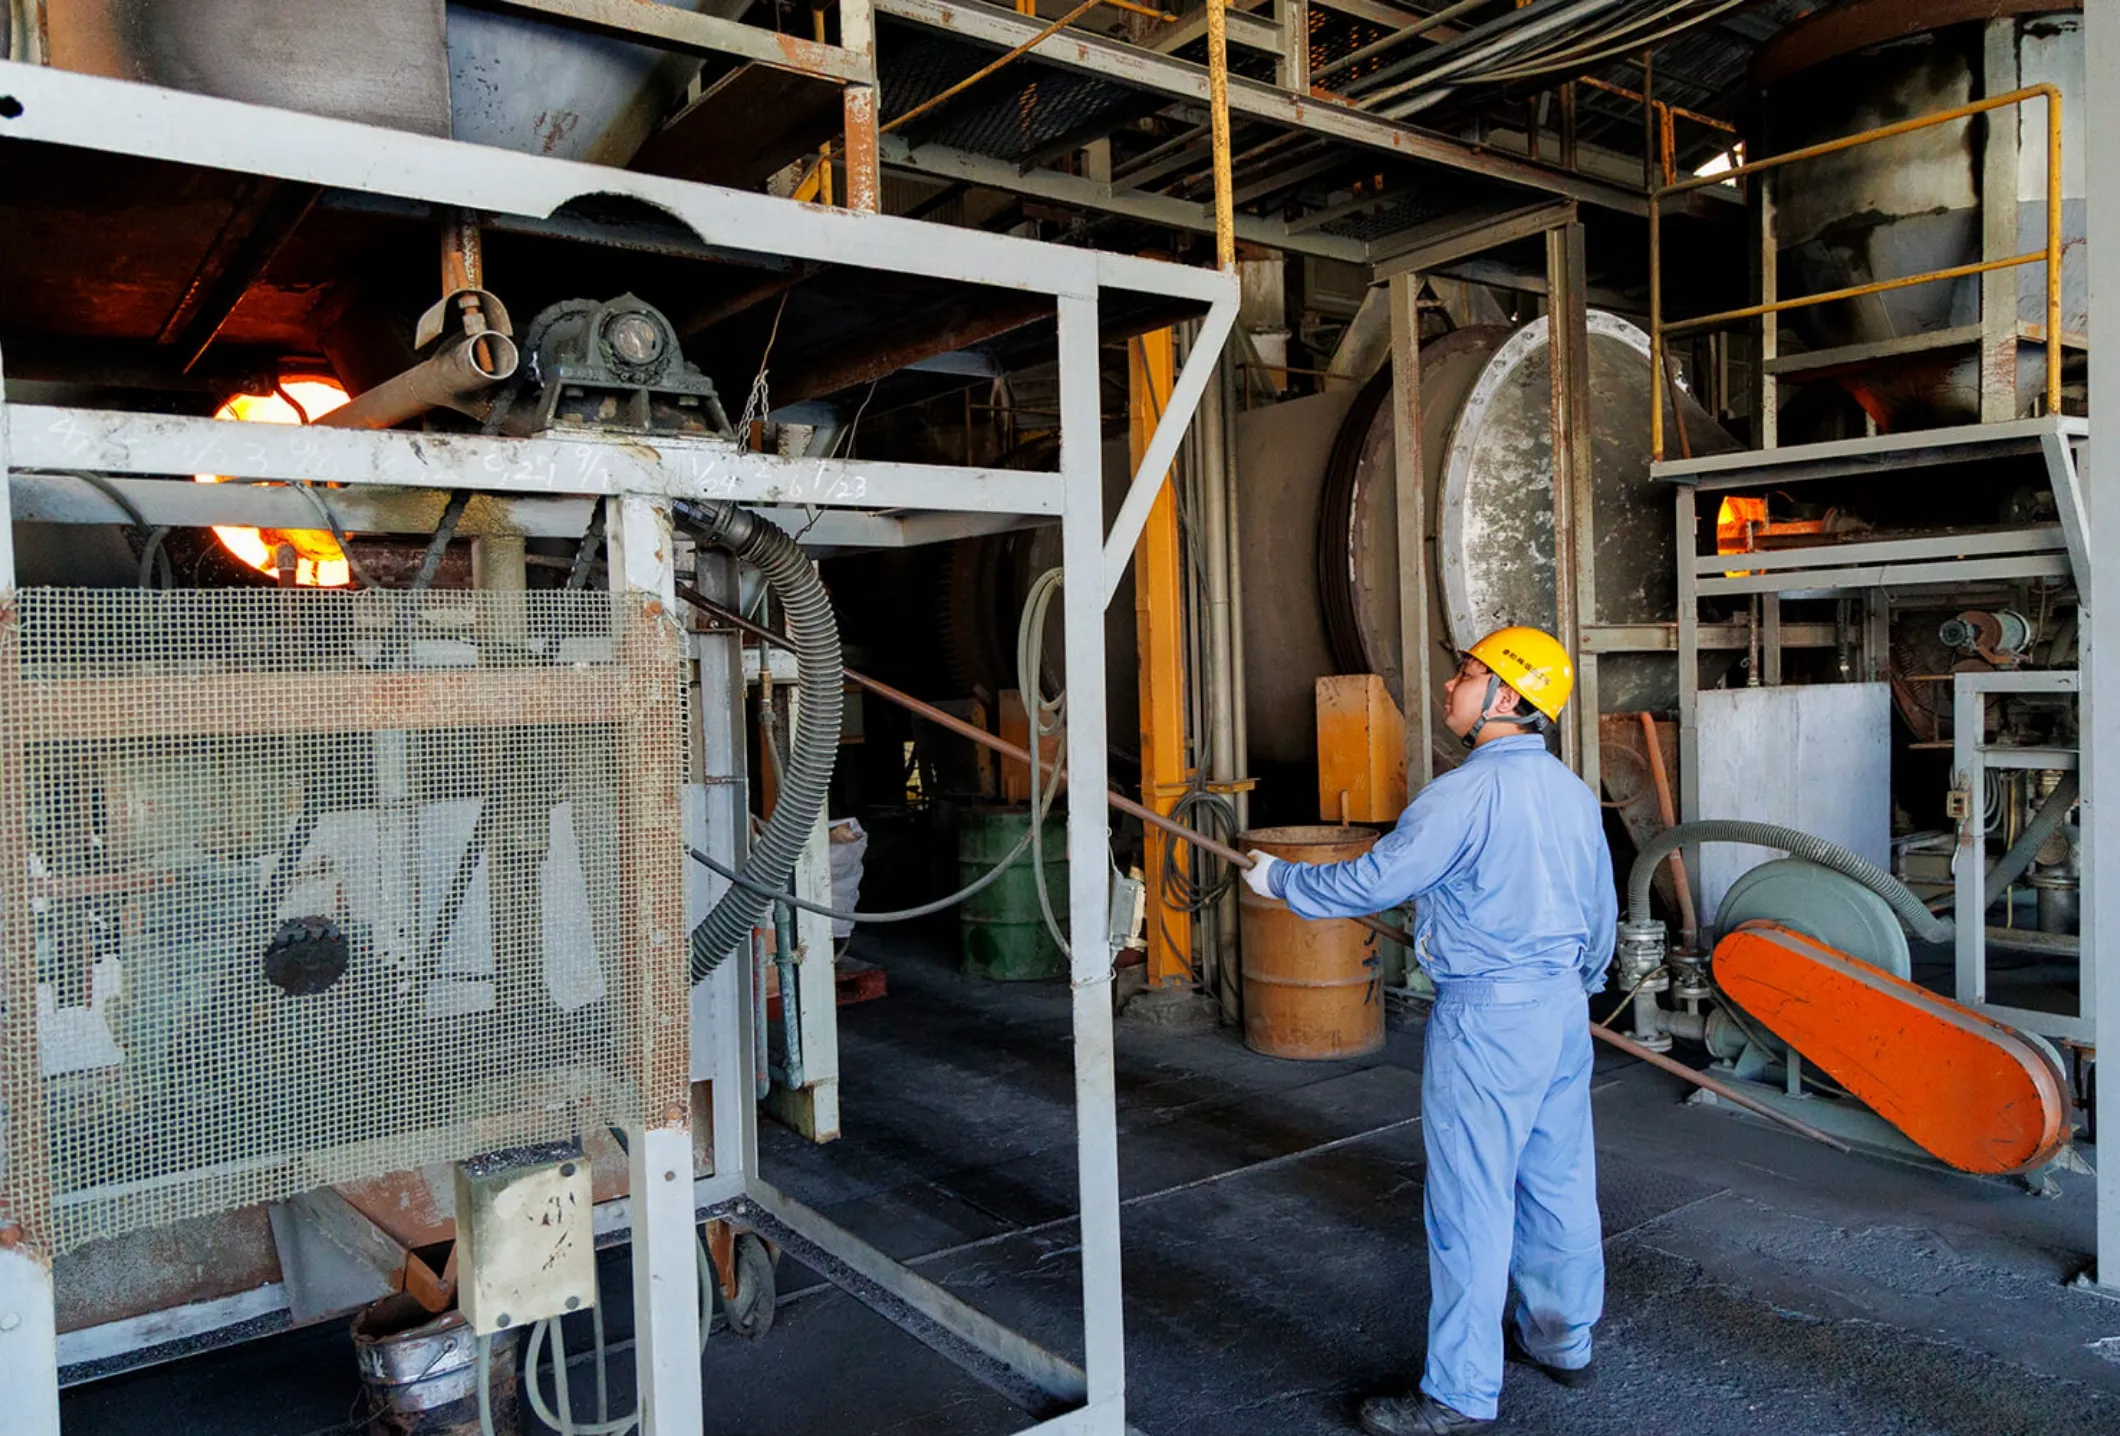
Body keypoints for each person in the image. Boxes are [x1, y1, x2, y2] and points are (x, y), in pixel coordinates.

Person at [1243, 626, 1616, 1436]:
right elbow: (1600, 915)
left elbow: (1377, 878)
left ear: (1507, 698)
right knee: (1557, 1183)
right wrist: (1570, 988)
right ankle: (1563, 1339)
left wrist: (1279, 877)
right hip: (1560, 1011)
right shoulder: (1570, 791)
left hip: (1489, 1017)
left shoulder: (1462, 794)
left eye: (1468, 674)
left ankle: (1458, 1392)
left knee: (1471, 1203)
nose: (1450, 687)